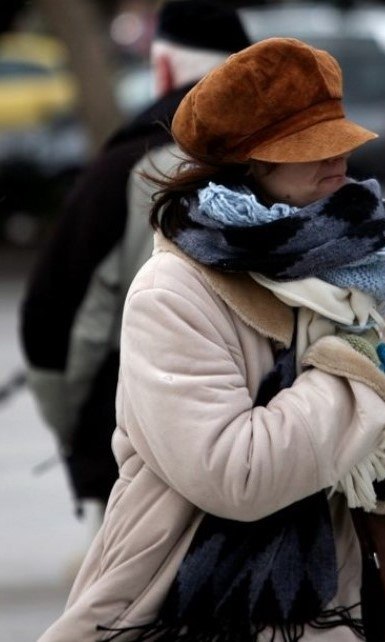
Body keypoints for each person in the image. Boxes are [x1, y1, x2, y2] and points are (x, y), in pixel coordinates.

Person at [40, 37, 385, 642]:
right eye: (311, 147)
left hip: (339, 598)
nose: (339, 158)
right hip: (176, 603)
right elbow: (239, 476)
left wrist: (354, 417)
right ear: (250, 164)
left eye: (340, 139)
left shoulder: (357, 263)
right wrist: (352, 370)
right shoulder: (173, 291)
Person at [19, 0, 251, 519]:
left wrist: (81, 438)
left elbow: (53, 318)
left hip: (139, 448)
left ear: (163, 68)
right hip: (280, 453)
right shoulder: (303, 160)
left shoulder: (121, 167)